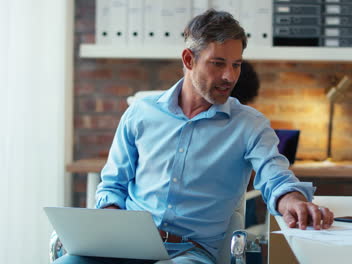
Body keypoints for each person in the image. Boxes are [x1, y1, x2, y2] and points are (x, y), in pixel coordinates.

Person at [55, 9, 333, 264]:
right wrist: (111, 221)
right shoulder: (140, 114)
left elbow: (276, 178)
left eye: (236, 65)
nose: (229, 76)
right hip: (126, 246)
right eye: (218, 63)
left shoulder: (250, 125)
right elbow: (113, 185)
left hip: (191, 252)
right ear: (189, 59)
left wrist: (293, 200)